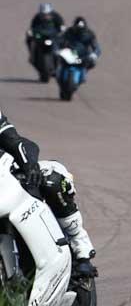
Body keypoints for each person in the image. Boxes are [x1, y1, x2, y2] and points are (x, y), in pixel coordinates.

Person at [0, 108, 98, 276]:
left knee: (51, 179)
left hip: (6, 178)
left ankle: (81, 248)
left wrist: (29, 166)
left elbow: (17, 142)